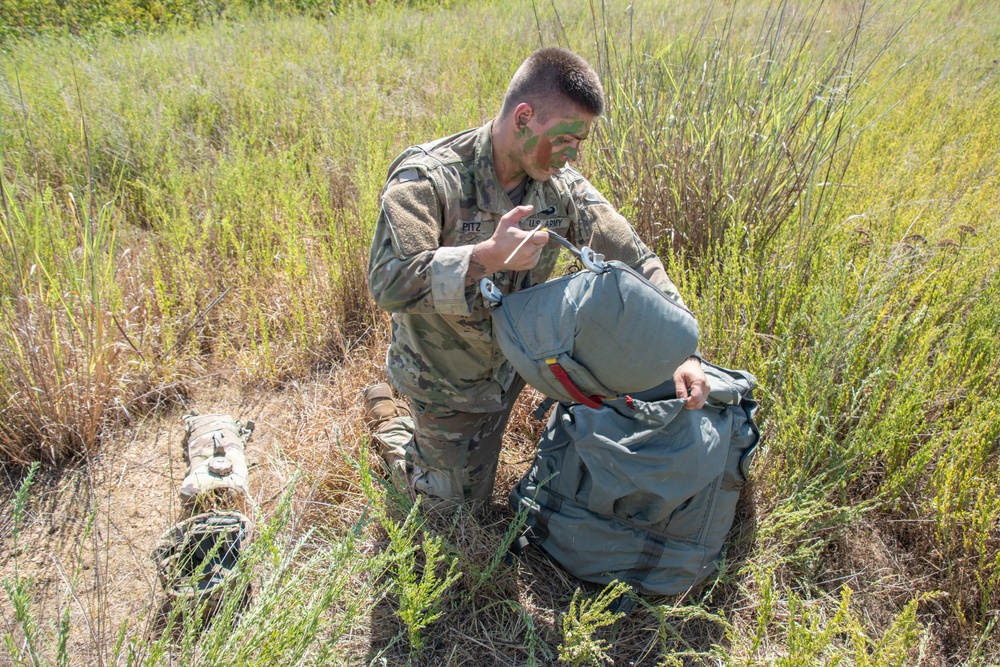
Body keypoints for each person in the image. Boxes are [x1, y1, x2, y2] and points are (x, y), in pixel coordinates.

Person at [366, 47, 707, 509]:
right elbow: (387, 283)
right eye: (565, 140)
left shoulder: (560, 187)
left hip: (513, 373)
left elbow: (637, 259)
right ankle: (391, 422)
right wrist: (484, 257)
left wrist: (682, 348)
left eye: (580, 144)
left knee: (475, 483)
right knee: (448, 514)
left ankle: (440, 457)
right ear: (524, 116)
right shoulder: (429, 178)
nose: (571, 156)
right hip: (444, 380)